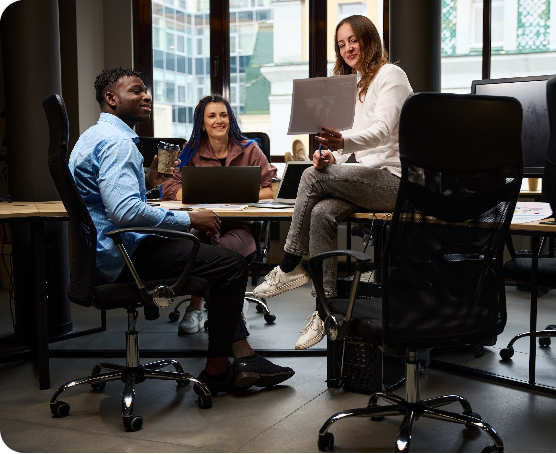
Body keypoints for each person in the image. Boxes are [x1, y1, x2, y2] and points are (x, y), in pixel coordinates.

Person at [69, 67, 294, 396]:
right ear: (111, 98)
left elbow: (110, 201)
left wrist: (148, 181)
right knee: (229, 265)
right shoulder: (119, 144)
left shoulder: (91, 137)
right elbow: (125, 211)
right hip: (125, 257)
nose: (146, 95)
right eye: (136, 91)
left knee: (219, 262)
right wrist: (190, 220)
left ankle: (241, 357)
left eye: (146, 90)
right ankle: (221, 367)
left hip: (105, 254)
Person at [253, 15, 413, 350]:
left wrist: (340, 146)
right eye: (341, 44)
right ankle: (325, 311)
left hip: (397, 181)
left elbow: (382, 132)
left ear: (369, 39)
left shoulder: (390, 75)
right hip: (371, 179)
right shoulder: (355, 85)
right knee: (322, 211)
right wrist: (331, 157)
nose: (348, 48)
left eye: (353, 40)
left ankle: (289, 264)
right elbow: (351, 141)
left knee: (311, 176)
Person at [162, 94, 277, 335]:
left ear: (231, 119)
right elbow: (169, 187)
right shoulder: (190, 151)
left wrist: (240, 194)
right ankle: (200, 308)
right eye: (212, 116)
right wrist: (197, 194)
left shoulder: (250, 149)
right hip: (203, 224)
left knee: (218, 251)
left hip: (240, 227)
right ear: (202, 123)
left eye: (223, 115)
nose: (218, 120)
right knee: (201, 241)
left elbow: (272, 187)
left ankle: (226, 307)